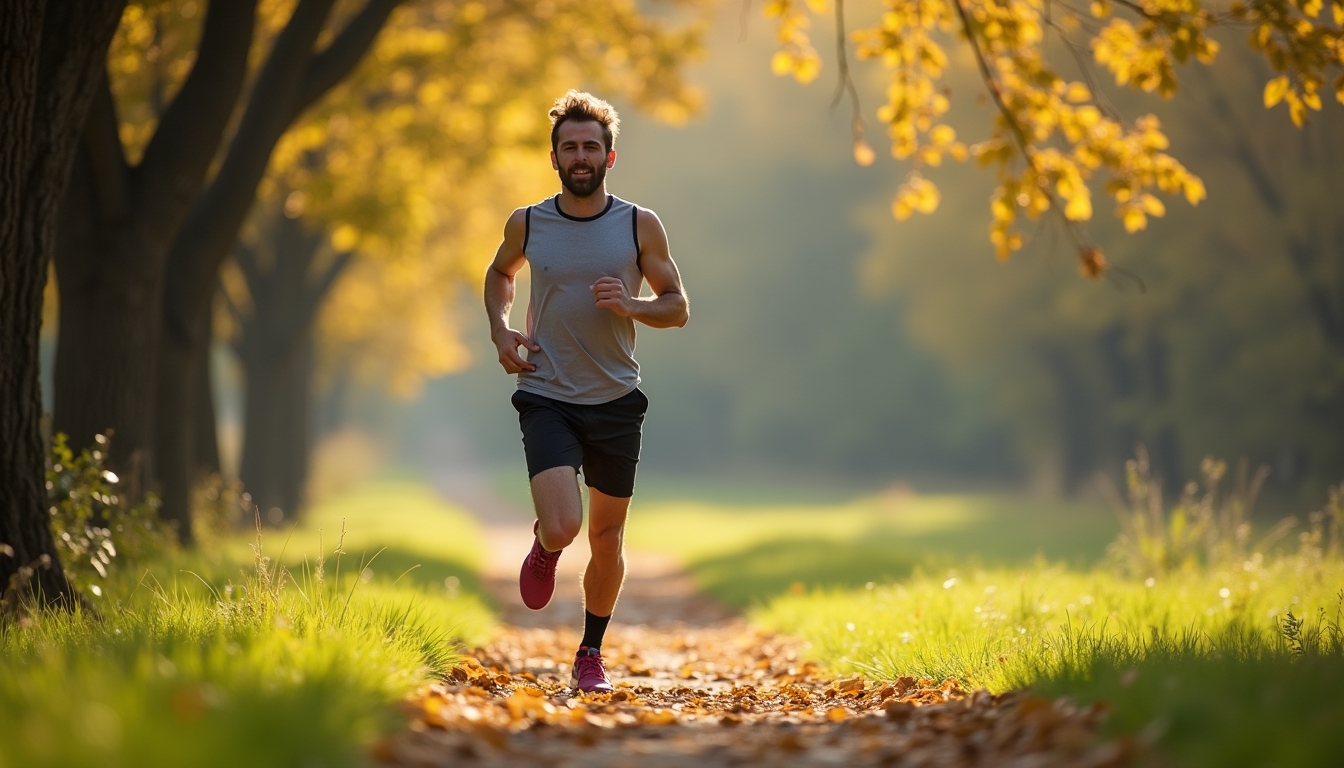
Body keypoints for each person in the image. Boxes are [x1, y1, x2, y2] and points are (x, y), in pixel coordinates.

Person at [483, 91, 689, 693]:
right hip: (546, 389)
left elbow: (677, 307)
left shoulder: (637, 224)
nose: (580, 156)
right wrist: (501, 328)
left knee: (607, 537)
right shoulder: (528, 222)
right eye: (569, 147)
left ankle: (590, 652)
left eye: (590, 147)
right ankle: (545, 546)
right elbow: (500, 273)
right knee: (566, 525)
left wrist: (633, 304)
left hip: (616, 398)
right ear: (553, 158)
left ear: (609, 156)